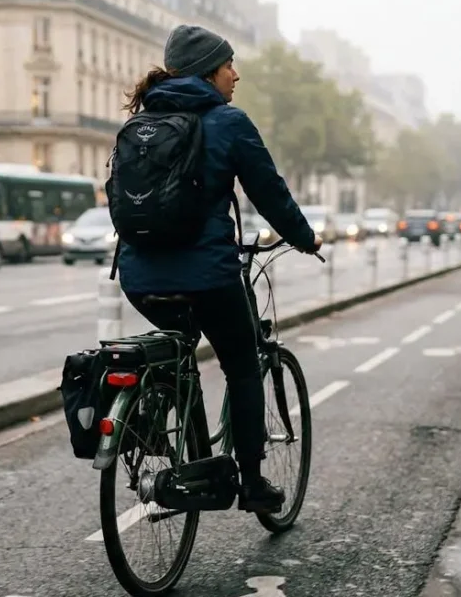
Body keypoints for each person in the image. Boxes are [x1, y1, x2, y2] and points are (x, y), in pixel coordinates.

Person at [115, 25, 321, 513]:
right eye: (229, 65)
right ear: (209, 71)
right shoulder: (228, 122)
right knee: (243, 364)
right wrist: (305, 238)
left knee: (179, 351)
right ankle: (250, 482)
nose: (236, 73)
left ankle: (156, 410)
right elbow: (269, 192)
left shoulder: (143, 122)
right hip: (208, 277)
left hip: (138, 279)